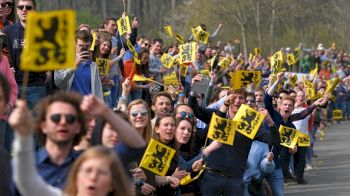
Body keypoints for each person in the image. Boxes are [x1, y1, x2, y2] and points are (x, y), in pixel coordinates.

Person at [9, 91, 146, 194]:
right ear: (43, 125)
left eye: (70, 119)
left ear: (79, 126)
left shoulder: (91, 162)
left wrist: (105, 111)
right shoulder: (23, 165)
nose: (63, 122)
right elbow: (25, 182)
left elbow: (137, 146)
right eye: (56, 118)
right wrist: (23, 135)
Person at [3, 0, 48, 109]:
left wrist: (50, 70)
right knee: (13, 124)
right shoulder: (7, 31)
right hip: (14, 86)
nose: (24, 10)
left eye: (28, 7)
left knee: (34, 125)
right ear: (17, 11)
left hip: (37, 87)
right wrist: (8, 69)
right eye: (20, 7)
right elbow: (2, 55)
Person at [54, 30, 103, 99]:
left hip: (86, 106)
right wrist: (75, 65)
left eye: (86, 46)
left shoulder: (93, 66)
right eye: (80, 45)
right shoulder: (64, 61)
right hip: (70, 105)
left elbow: (98, 91)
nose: (83, 48)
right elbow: (59, 83)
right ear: (75, 44)